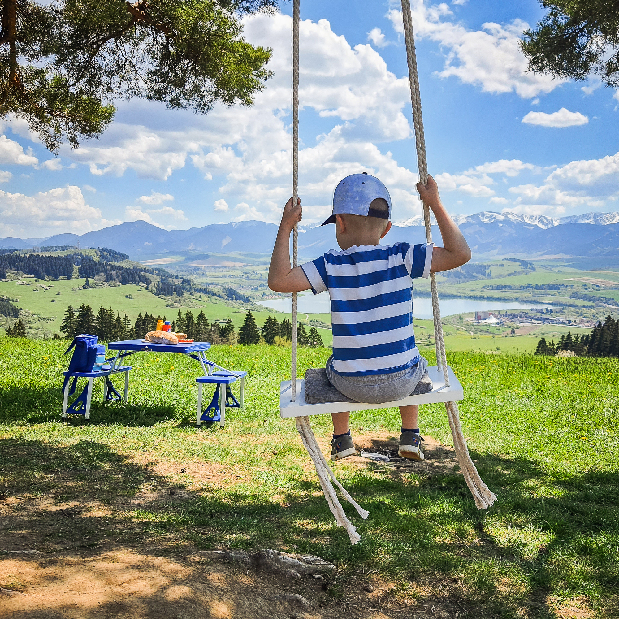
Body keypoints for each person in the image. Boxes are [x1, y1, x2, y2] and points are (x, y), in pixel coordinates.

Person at [268, 172, 471, 461]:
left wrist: (286, 227)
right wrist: (434, 203)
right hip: (402, 381)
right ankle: (411, 436)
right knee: (414, 360)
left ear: (339, 222)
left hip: (349, 383)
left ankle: (341, 439)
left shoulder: (331, 265)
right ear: (387, 229)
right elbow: (460, 253)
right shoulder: (403, 257)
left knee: (328, 369)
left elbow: (279, 280)